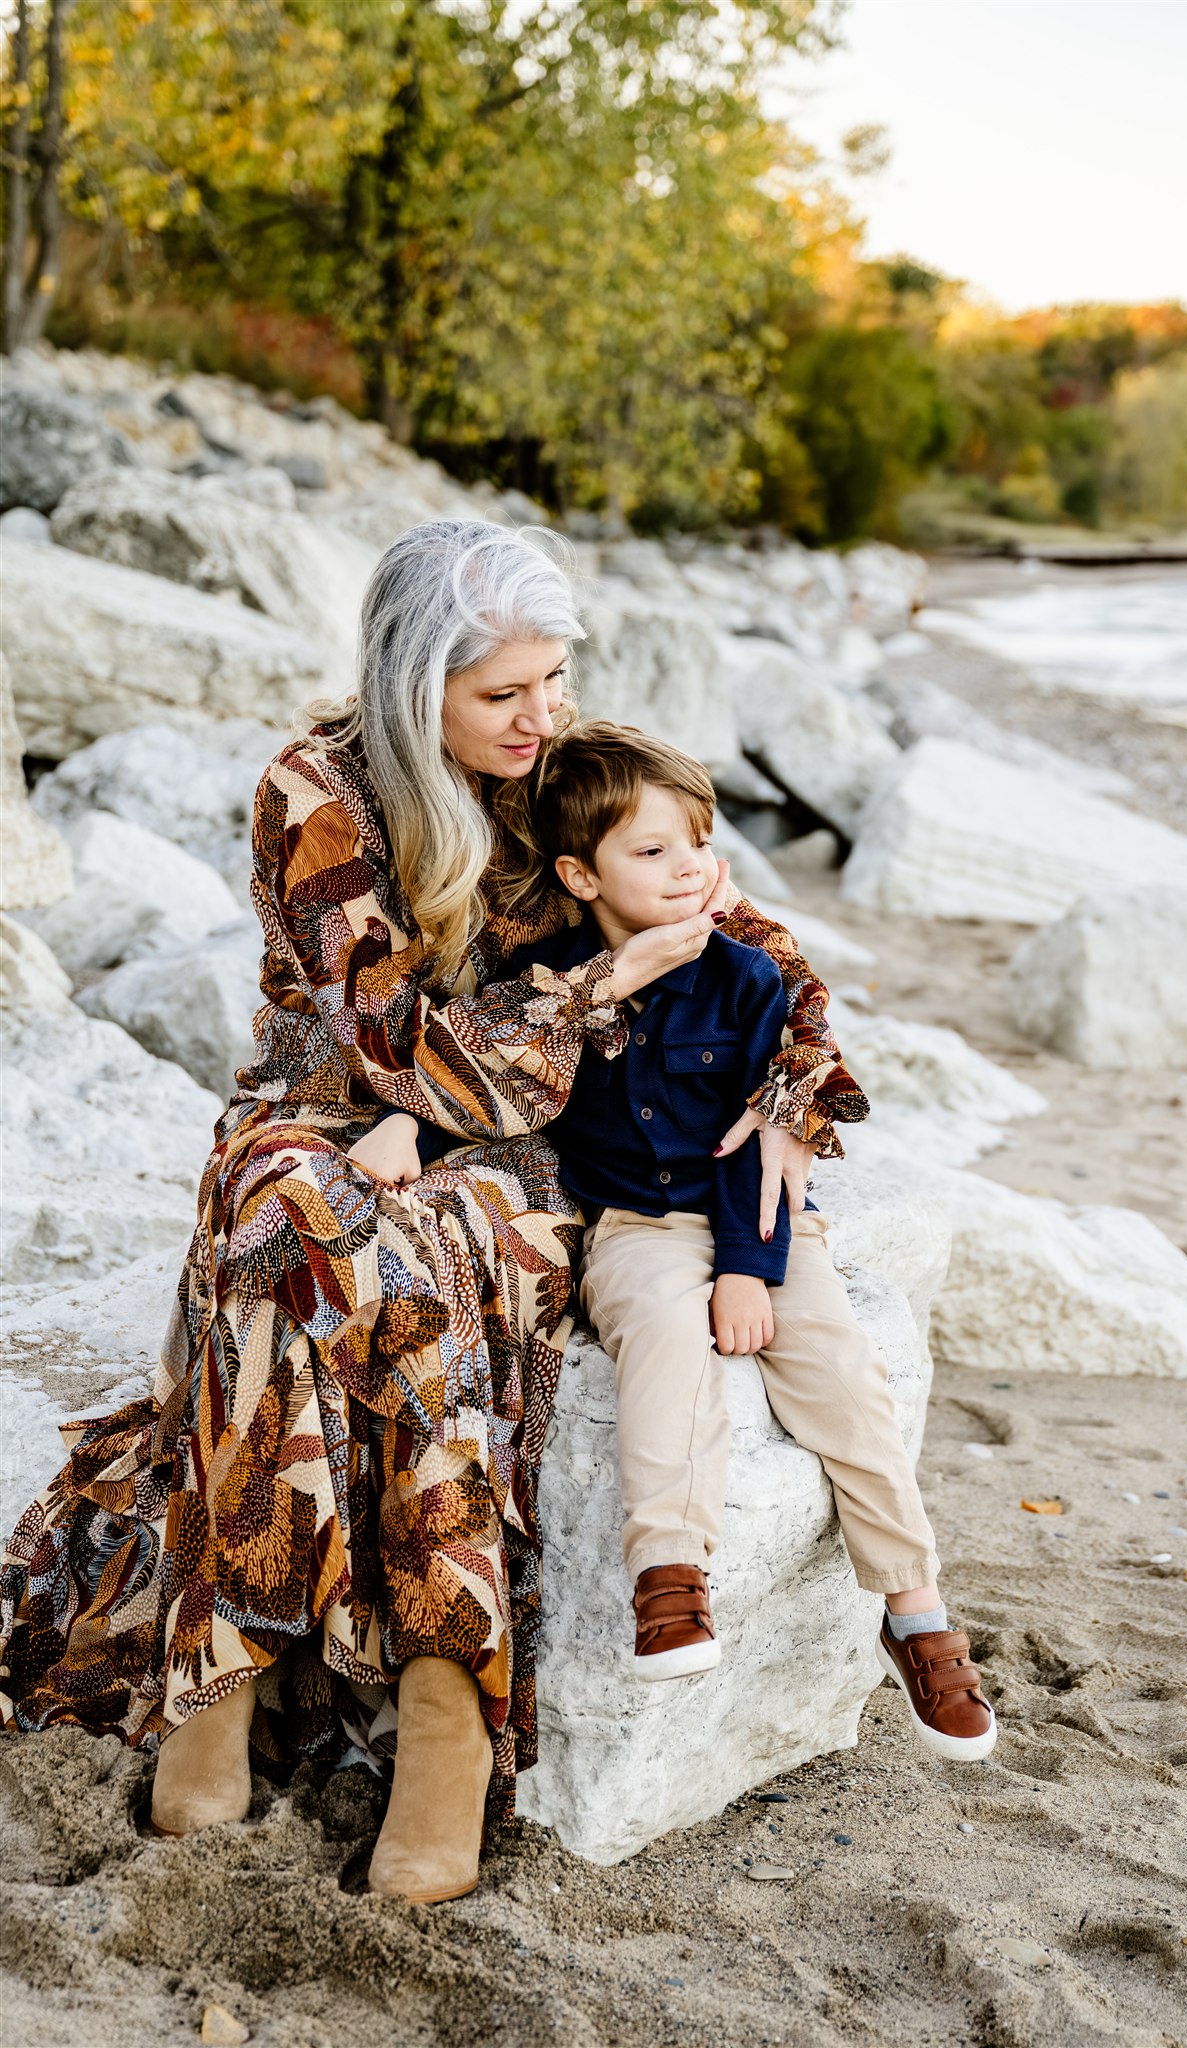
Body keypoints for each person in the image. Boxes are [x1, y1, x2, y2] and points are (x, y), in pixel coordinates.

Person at [0, 523, 864, 1904]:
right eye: (501, 693)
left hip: (536, 1139)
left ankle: (446, 1712)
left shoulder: (576, 776)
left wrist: (788, 1094)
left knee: (427, 1255)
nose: (541, 717)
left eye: (553, 679)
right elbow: (397, 1051)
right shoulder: (319, 793)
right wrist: (595, 985)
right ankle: (221, 1670)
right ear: (417, 689)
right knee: (287, 1219)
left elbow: (765, 953)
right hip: (329, 1101)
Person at [368, 722, 997, 1762]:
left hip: (755, 1214)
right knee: (663, 1330)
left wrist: (751, 1274)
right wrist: (410, 1122)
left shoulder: (747, 979)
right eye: (651, 851)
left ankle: (916, 1608)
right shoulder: (554, 978)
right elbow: (496, 1075)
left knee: (838, 1368)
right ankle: (670, 1573)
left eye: (698, 844)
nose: (688, 868)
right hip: (636, 1223)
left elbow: (762, 1128)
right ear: (580, 873)